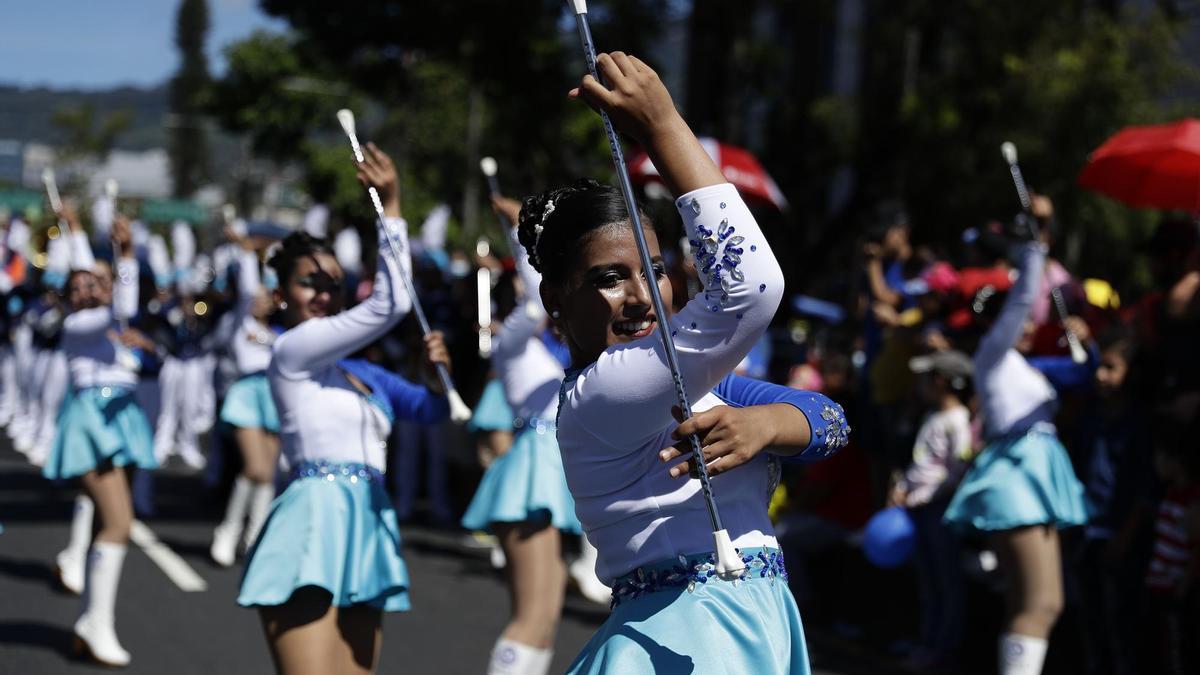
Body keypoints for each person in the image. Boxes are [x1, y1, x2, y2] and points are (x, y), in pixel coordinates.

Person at [538, 52, 849, 674]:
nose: (641, 296)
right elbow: (750, 288)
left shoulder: (694, 383)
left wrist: (766, 426)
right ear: (557, 302)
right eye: (608, 278)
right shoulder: (605, 393)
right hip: (685, 637)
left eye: (653, 271)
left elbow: (832, 421)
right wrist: (662, 126)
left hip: (744, 626)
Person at [235, 144, 450, 675]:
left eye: (334, 283)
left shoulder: (364, 373)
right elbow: (391, 304)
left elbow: (429, 412)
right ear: (281, 293)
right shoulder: (290, 354)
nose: (325, 294)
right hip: (312, 521)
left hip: (369, 521)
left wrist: (433, 375)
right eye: (311, 281)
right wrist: (392, 205)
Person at [461, 194, 599, 675]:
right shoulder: (513, 344)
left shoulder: (549, 353)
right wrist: (530, 236)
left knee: (547, 618)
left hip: (550, 468)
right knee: (531, 616)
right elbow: (534, 300)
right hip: (530, 470)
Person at [943, 238, 1088, 675]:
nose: (1028, 324)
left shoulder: (1026, 366)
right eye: (1019, 317)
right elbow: (1025, 297)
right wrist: (1035, 248)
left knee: (1032, 603)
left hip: (1031, 480)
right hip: (1018, 481)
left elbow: (1086, 373)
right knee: (1041, 603)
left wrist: (1084, 338)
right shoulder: (994, 354)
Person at [43, 209, 156, 667]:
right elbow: (121, 306)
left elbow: (142, 351)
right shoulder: (77, 326)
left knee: (104, 522)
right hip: (91, 422)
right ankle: (96, 624)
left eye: (96, 284)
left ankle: (92, 614)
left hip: (123, 420)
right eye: (78, 287)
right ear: (68, 298)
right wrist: (124, 254)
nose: (88, 289)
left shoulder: (116, 336)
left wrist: (76, 232)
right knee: (118, 524)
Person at [891, 350, 974, 669]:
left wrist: (925, 495)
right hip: (918, 509)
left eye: (927, 378)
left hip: (939, 510)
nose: (921, 384)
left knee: (945, 581)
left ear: (940, 381)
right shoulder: (931, 416)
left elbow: (958, 469)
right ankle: (927, 641)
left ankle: (943, 648)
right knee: (928, 580)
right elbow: (922, 462)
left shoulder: (959, 421)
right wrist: (902, 487)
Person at [210, 228, 280, 566]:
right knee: (253, 467)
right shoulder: (241, 323)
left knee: (268, 474)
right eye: (256, 295)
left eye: (266, 296)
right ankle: (228, 529)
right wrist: (247, 250)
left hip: (274, 396)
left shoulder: (277, 333)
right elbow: (249, 286)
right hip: (247, 393)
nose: (259, 299)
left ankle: (254, 537)